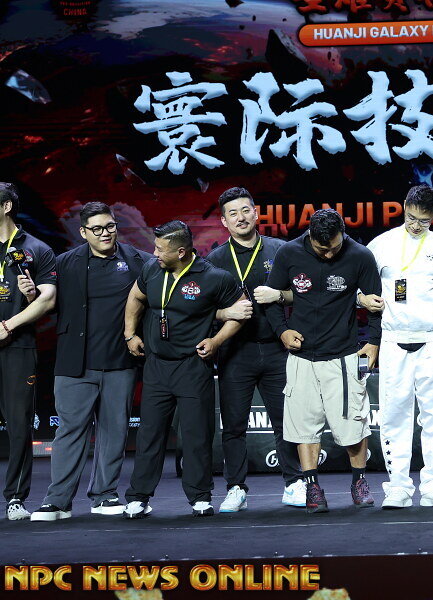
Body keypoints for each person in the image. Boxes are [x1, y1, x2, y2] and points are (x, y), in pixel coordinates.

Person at [30, 203, 153, 521]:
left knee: (114, 432)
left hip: (120, 362)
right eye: (96, 229)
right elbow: (46, 302)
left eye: (110, 226)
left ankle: (104, 495)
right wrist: (31, 294)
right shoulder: (64, 263)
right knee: (69, 431)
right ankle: (58, 501)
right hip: (74, 363)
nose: (105, 233)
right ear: (83, 233)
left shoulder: (139, 261)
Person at [122, 220, 249, 518]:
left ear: (181, 252)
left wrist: (216, 341)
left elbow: (243, 311)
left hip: (192, 366)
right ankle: (139, 497)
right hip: (156, 365)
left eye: (160, 249)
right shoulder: (152, 269)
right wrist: (130, 333)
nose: (154, 253)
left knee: (195, 435)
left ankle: (200, 497)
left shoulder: (214, 277)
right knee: (149, 434)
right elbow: (136, 296)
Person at [264, 209, 381, 514]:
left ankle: (359, 481)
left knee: (353, 424)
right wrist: (282, 331)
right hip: (301, 357)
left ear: (343, 233)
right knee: (304, 427)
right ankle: (312, 486)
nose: (329, 254)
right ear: (310, 236)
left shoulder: (360, 256)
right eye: (321, 249)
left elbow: (376, 303)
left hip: (343, 355)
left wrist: (373, 342)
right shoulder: (289, 253)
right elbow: (271, 298)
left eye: (334, 247)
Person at [359, 184, 433, 509]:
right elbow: (358, 286)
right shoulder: (381, 245)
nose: (416, 225)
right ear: (404, 206)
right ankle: (398, 488)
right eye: (412, 217)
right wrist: (362, 299)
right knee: (394, 415)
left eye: (424, 220)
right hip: (392, 339)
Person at [205, 187, 303, 513]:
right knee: (233, 425)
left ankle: (294, 483)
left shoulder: (281, 250)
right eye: (232, 213)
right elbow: (201, 309)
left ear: (257, 213)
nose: (241, 218)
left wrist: (278, 296)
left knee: (287, 421)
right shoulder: (215, 260)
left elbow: (303, 293)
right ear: (224, 221)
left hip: (277, 349)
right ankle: (235, 488)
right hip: (235, 352)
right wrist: (226, 313)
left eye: (245, 210)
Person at [0, 182, 57, 521]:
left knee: (19, 426)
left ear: (6, 206)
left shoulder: (35, 249)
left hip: (17, 347)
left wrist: (9, 324)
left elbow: (47, 300)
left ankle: (15, 499)